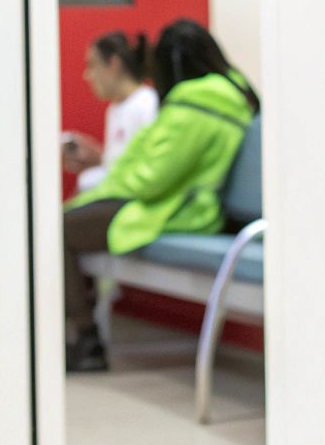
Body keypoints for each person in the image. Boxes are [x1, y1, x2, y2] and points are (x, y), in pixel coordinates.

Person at [62, 18, 260, 373]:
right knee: (67, 222)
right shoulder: (228, 99)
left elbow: (152, 177)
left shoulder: (193, 105)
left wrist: (100, 191)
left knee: (58, 229)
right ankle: (82, 333)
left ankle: (84, 336)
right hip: (181, 204)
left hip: (176, 209)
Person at [61, 31, 160, 193]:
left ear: (114, 64)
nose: (88, 76)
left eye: (92, 65)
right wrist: (96, 157)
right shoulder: (115, 109)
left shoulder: (147, 104)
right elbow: (116, 167)